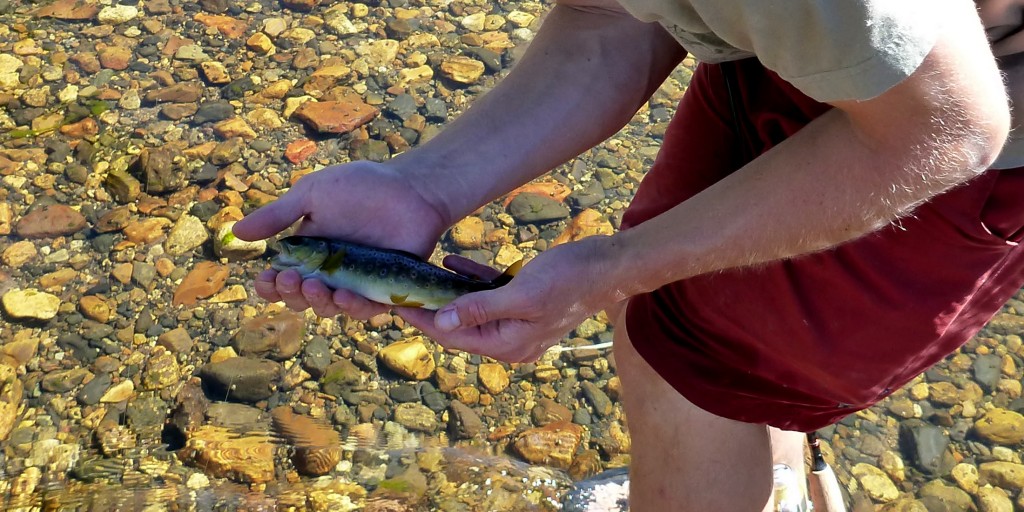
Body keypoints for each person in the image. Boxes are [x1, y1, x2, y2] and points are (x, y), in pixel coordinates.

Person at [233, 0, 1021, 508]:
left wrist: (610, 267)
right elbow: (611, 15)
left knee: (700, 369)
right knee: (663, 317)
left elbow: (946, 131)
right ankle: (769, 484)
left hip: (960, 126)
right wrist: (426, 188)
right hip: (805, 44)